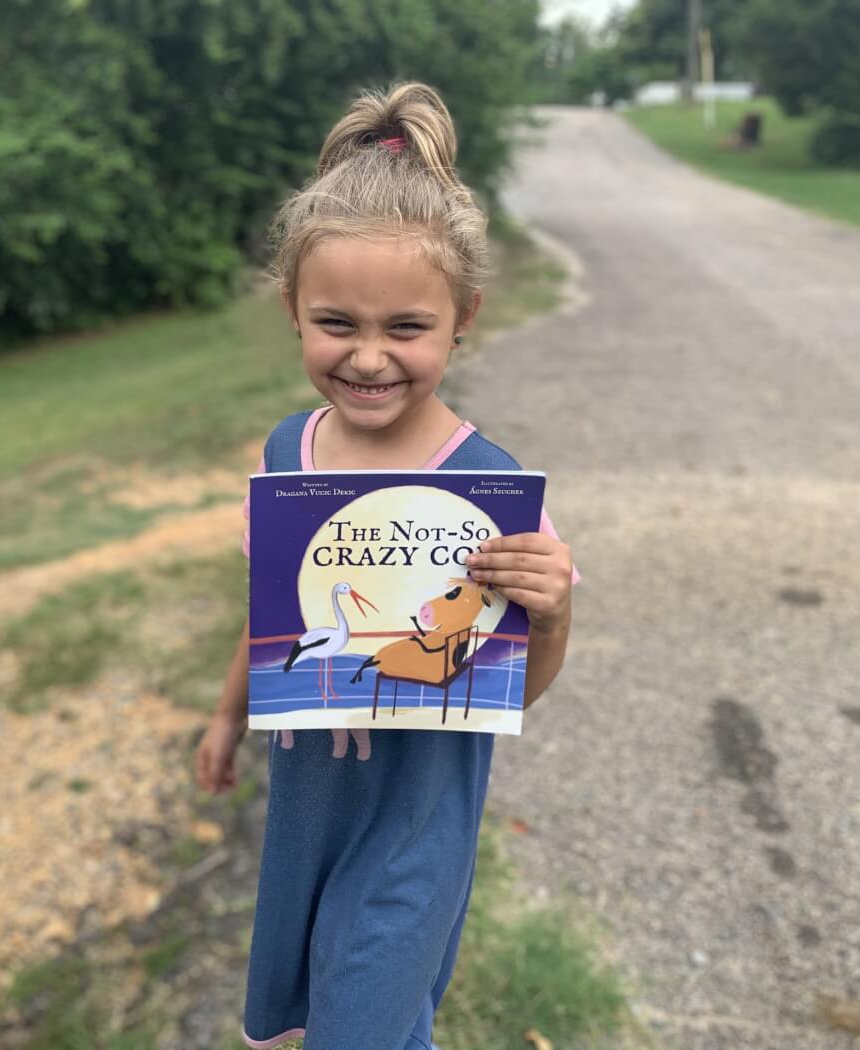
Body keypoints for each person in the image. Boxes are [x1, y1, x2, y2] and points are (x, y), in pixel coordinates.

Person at [194, 82, 576, 1050]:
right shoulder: (289, 454)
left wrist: (555, 611)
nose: (368, 358)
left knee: (361, 1018)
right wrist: (228, 712)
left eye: (405, 328)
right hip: (309, 804)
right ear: (292, 310)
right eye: (336, 324)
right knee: (324, 1012)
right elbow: (271, 613)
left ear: (462, 318)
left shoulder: (486, 488)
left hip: (416, 817)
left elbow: (510, 691)